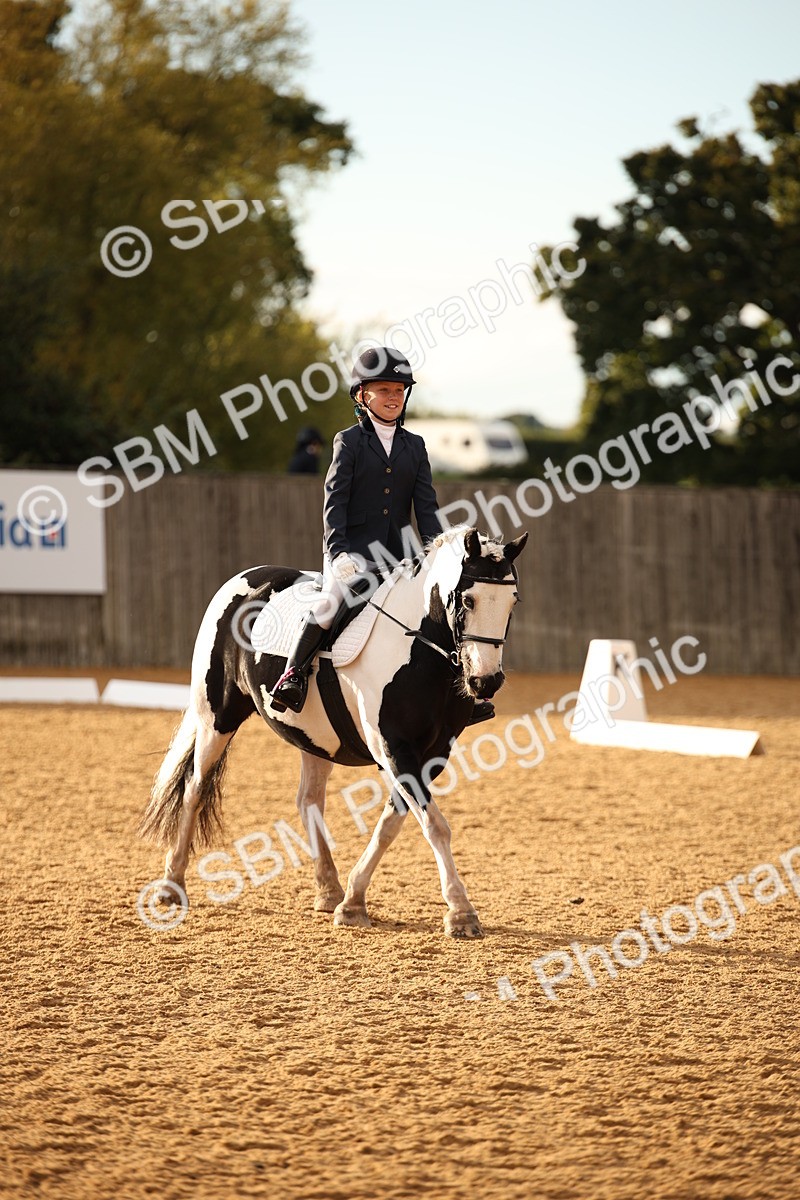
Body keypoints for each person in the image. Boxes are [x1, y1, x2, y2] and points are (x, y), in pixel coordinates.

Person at [269, 346, 493, 724]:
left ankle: (462, 697)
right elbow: (335, 502)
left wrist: (440, 555)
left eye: (399, 390)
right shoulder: (348, 442)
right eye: (384, 390)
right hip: (352, 553)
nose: (393, 397)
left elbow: (426, 508)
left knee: (442, 611)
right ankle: (292, 676)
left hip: (401, 555)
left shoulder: (415, 445)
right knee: (329, 604)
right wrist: (337, 552)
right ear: (362, 395)